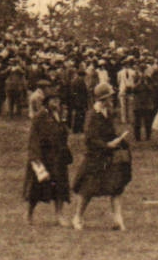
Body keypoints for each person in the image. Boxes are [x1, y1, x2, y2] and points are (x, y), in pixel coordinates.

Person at [71, 82, 133, 231]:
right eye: (109, 97)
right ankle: (78, 217)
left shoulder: (108, 112)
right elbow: (90, 139)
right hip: (95, 156)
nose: (111, 100)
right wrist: (106, 145)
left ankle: (118, 219)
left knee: (116, 187)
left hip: (109, 156)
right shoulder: (92, 115)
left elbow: (110, 132)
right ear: (103, 99)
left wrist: (120, 141)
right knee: (87, 189)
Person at [24, 89, 73, 224]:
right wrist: (35, 158)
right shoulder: (40, 116)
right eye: (53, 100)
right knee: (37, 188)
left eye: (58, 99)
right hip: (44, 156)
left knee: (60, 188)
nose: (56, 102)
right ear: (47, 102)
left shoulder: (60, 115)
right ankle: (29, 214)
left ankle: (59, 215)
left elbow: (64, 134)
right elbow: (34, 137)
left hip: (58, 157)